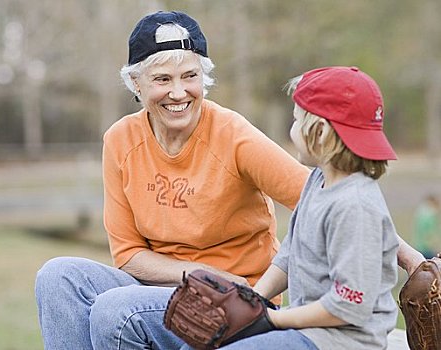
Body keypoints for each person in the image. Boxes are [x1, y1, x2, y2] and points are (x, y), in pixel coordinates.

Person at [34, 11, 424, 350]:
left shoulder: (232, 134)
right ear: (136, 84)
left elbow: (321, 194)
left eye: (190, 76)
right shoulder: (120, 140)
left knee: (114, 310)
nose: (178, 92)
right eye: (162, 79)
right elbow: (128, 255)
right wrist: (200, 274)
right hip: (168, 286)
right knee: (57, 277)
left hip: (237, 297)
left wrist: (414, 261)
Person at [221, 66, 399, 350]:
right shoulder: (318, 179)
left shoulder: (354, 206)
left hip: (341, 341)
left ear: (319, 131)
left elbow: (348, 305)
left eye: (295, 120)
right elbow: (292, 252)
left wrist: (273, 319)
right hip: (307, 329)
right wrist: (253, 301)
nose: (291, 130)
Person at [413, 194, 440, 259]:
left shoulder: (420, 212)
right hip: (427, 247)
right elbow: (430, 233)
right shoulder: (430, 214)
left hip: (418, 246)